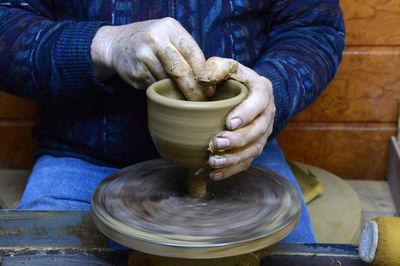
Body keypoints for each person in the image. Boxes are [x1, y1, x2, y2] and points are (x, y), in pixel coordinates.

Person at [0, 0, 345, 243]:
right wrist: (104, 44)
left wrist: (274, 89)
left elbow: (315, 28)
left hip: (241, 154)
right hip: (83, 157)